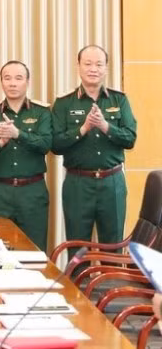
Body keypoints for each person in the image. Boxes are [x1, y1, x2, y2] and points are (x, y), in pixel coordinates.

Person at [52, 45, 137, 259]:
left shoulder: (119, 100)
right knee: (77, 247)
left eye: (99, 64)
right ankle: (78, 290)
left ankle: (113, 290)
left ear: (106, 68)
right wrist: (83, 129)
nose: (93, 69)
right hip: (78, 183)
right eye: (87, 64)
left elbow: (130, 139)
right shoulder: (64, 103)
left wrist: (105, 126)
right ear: (78, 67)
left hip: (112, 182)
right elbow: (55, 145)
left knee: (114, 244)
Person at [0, 61, 52, 251]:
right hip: (0, 192)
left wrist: (18, 134)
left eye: (18, 78)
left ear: (27, 82)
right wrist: (0, 142)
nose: (12, 83)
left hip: (32, 191)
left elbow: (46, 145)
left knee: (35, 249)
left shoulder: (41, 112)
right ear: (1, 82)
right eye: (7, 78)